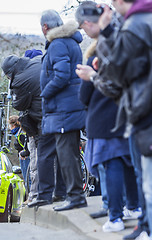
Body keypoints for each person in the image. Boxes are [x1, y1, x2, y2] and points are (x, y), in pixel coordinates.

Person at [77, 0, 152, 238]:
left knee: (148, 181)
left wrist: (94, 76)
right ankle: (143, 221)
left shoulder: (134, 25)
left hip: (140, 112)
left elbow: (119, 74)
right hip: (139, 111)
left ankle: (139, 225)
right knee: (139, 173)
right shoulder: (148, 20)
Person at [36, 10, 87, 211]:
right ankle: (73, 195)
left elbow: (62, 74)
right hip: (70, 107)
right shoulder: (71, 42)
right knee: (70, 153)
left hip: (63, 109)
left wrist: (45, 93)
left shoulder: (57, 44)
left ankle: (75, 197)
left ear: (45, 27)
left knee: (66, 154)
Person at [1, 51, 43, 205]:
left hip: (37, 124)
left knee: (37, 162)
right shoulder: (38, 64)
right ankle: (40, 193)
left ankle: (35, 195)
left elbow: (19, 104)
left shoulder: (21, 80)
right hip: (44, 121)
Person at [8, 116, 30, 184]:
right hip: (24, 157)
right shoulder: (19, 132)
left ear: (13, 125)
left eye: (10, 126)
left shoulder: (21, 134)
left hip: (26, 158)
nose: (9, 128)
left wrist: (23, 153)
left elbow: (27, 148)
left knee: (27, 179)